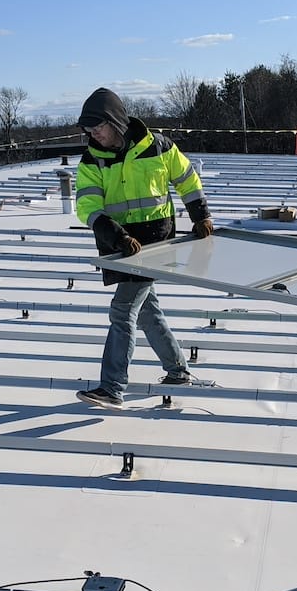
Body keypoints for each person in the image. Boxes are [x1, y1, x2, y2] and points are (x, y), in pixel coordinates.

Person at [73, 87, 214, 410]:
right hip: (120, 245)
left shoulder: (158, 146)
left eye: (99, 128)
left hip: (156, 241)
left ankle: (112, 387)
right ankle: (178, 370)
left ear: (116, 122)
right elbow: (88, 205)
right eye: (89, 131)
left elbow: (187, 179)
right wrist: (116, 235)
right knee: (147, 311)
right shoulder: (92, 159)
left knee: (123, 310)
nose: (94, 135)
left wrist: (200, 215)